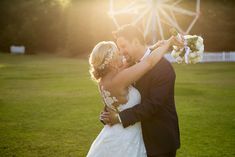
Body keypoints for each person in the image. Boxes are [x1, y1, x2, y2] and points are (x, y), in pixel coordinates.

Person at [100, 25, 181, 157]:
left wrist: (119, 118)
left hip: (159, 141)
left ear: (136, 42)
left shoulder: (163, 68)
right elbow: (118, 93)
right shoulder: (127, 66)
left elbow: (152, 105)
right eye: (119, 47)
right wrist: (108, 113)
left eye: (123, 46)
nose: (121, 52)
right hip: (132, 140)